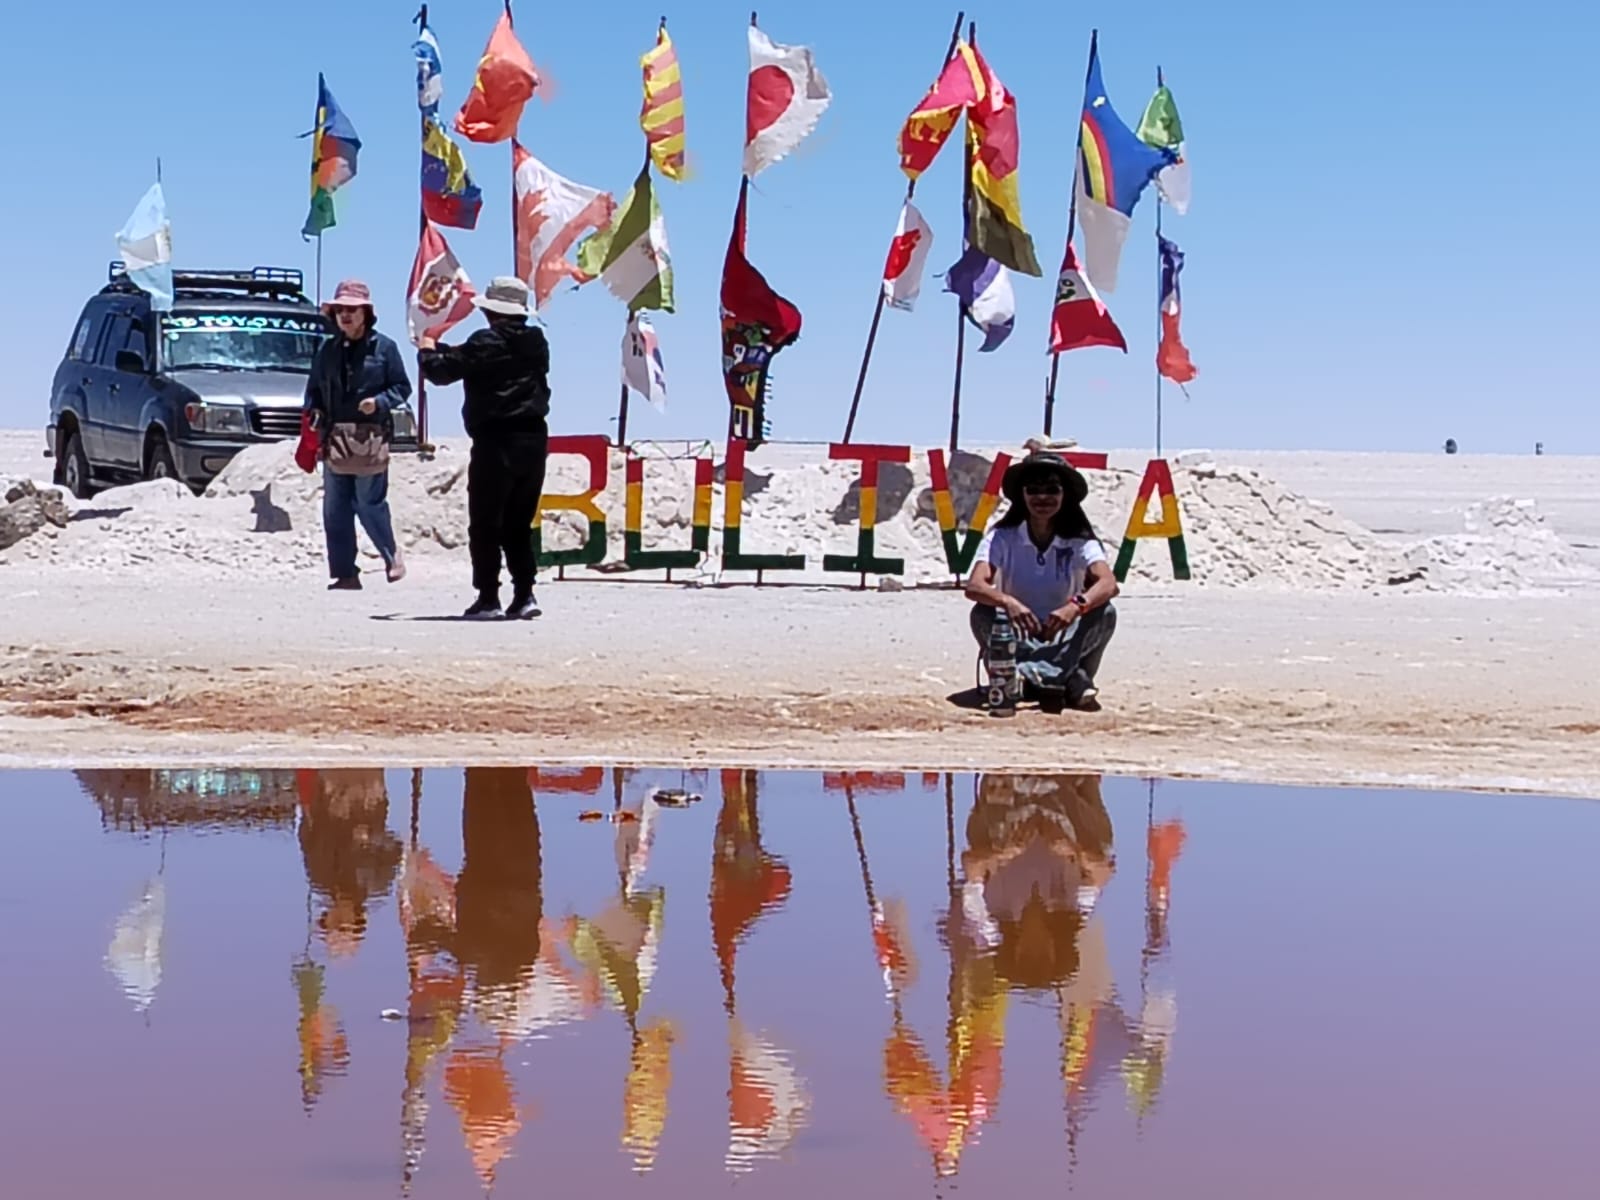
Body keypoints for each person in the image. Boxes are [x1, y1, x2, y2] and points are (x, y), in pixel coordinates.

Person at [418, 277, 550, 621]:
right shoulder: (537, 341)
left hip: (496, 440)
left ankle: (489, 597)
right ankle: (524, 594)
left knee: (486, 522)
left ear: (491, 310)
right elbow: (476, 357)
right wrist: (447, 350)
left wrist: (428, 345)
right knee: (518, 523)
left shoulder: (485, 341)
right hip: (533, 440)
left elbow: (442, 373)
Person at [964, 451, 1119, 711]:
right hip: (1019, 633)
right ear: (1022, 496)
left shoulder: (1079, 540)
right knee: (982, 613)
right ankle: (1066, 678)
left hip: (1063, 636)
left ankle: (1030, 676)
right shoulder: (1002, 537)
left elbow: (1108, 583)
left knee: (1105, 613)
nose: (1042, 498)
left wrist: (1074, 607)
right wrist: (1009, 603)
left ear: (1064, 495)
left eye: (1051, 490)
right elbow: (975, 585)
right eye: (1033, 490)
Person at [303, 280, 412, 590]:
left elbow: (402, 388)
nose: (345, 315)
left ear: (366, 313)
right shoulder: (327, 349)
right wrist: (314, 415)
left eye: (352, 309)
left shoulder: (385, 348)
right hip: (333, 438)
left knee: (369, 502)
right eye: (340, 310)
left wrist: (378, 403)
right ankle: (345, 573)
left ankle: (391, 557)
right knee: (335, 509)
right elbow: (313, 390)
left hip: (371, 438)